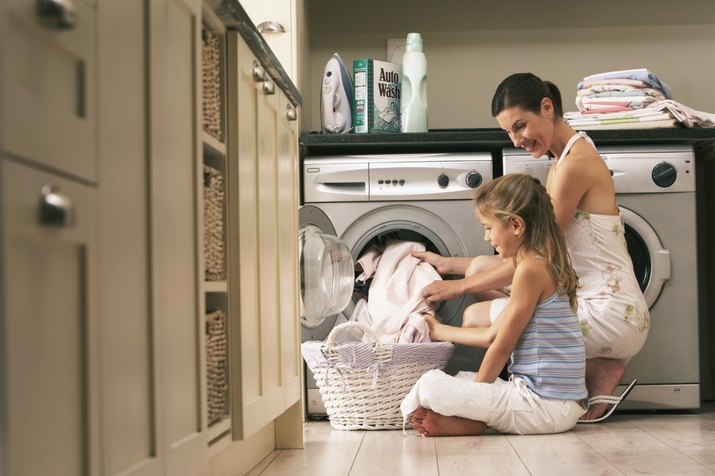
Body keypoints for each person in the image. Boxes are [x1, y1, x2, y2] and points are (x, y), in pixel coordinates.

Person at [414, 73, 649, 422]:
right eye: (509, 131)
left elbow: (537, 254)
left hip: (610, 312)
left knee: (476, 316)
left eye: (521, 125)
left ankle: (528, 387)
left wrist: (457, 288)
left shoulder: (573, 165)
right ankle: (596, 368)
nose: (516, 139)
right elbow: (526, 253)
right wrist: (449, 266)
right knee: (484, 270)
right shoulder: (563, 158)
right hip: (606, 303)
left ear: (547, 107)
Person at [401, 173, 587, 437]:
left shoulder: (530, 271)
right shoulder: (541, 263)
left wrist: (474, 401)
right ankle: (475, 420)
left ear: (516, 225)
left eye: (488, 227)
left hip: (545, 407)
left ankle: (472, 420)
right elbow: (493, 334)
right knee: (459, 380)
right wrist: (438, 331)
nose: (487, 238)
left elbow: (500, 347)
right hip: (554, 404)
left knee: (429, 386)